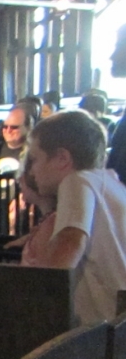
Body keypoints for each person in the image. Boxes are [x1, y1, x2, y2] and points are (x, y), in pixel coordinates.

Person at [27, 109, 126, 324]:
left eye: (34, 159)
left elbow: (70, 242)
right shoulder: (113, 184)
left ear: (62, 158)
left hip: (101, 338)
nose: (31, 171)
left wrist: (30, 317)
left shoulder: (76, 181)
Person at [0, 103, 32, 174]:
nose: (8, 130)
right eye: (5, 126)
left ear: (28, 128)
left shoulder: (34, 153)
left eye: (14, 127)